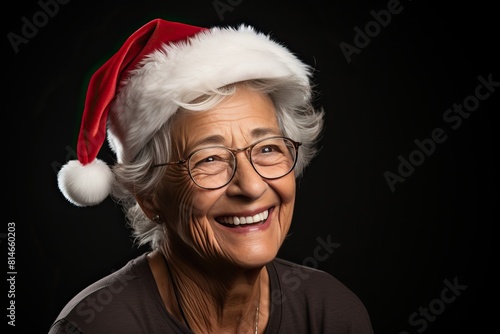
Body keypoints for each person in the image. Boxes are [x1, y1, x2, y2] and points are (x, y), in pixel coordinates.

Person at [49, 18, 374, 334]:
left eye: (266, 149)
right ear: (147, 196)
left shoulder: (330, 313)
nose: (251, 186)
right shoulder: (96, 326)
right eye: (210, 158)